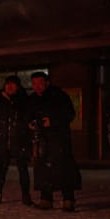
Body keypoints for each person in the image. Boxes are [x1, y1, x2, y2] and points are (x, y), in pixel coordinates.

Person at [26, 72, 81, 211]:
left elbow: (69, 114)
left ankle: (68, 199)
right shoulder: (32, 99)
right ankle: (46, 199)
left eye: (40, 83)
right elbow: (26, 116)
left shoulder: (59, 96)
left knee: (63, 168)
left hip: (59, 138)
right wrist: (30, 124)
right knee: (43, 169)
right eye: (34, 83)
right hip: (41, 140)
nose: (37, 86)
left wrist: (53, 121)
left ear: (47, 82)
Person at [0, 75, 32, 205]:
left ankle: (26, 195)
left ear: (18, 87)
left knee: (22, 169)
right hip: (3, 142)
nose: (9, 87)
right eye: (7, 84)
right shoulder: (0, 101)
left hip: (19, 141)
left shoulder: (23, 100)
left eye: (12, 85)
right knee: (1, 169)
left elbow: (26, 119)